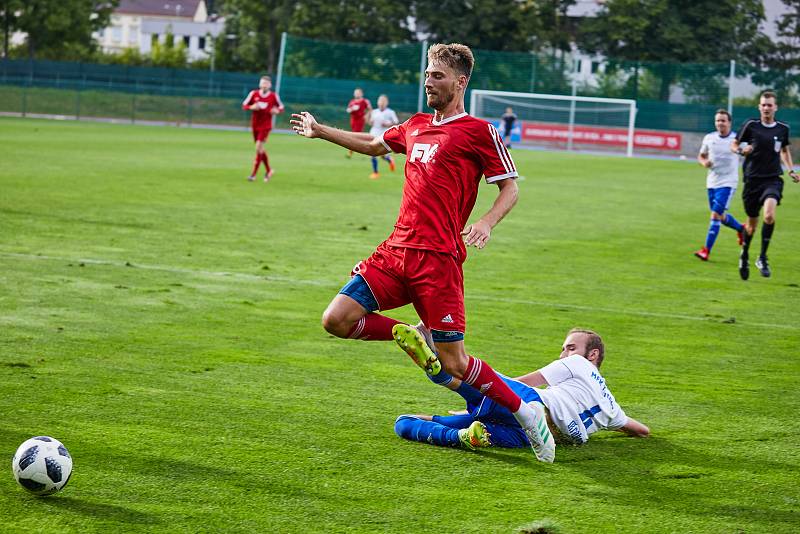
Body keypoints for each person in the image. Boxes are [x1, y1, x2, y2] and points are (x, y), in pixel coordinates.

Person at [291, 43, 556, 463]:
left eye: (437, 75)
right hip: (395, 252)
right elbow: (375, 144)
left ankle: (526, 414)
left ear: (460, 82)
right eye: (428, 74)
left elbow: (511, 187)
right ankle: (407, 334)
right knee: (336, 320)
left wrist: (485, 222)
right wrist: (323, 131)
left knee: (454, 364)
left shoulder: (479, 132)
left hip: (439, 261)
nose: (428, 81)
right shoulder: (414, 125)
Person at [394, 328, 650, 452]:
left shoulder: (578, 363)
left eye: (570, 347)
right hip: (529, 437)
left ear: (591, 354)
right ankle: (463, 436)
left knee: (476, 375)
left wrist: (483, 396)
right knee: (405, 424)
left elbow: (522, 383)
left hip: (533, 407)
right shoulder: (612, 408)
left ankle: (436, 363)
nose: (563, 354)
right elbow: (641, 431)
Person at [731, 91, 799, 279]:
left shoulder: (783, 128)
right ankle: (744, 255)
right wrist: (740, 151)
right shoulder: (751, 125)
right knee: (751, 226)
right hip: (752, 180)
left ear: (775, 107)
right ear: (759, 107)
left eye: (770, 105)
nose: (767, 108)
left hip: (772, 179)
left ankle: (762, 257)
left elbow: (784, 150)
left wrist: (791, 170)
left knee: (769, 215)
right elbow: (734, 144)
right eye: (764, 105)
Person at [693, 109, 745, 261]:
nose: (720, 123)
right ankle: (741, 229)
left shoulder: (737, 138)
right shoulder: (709, 138)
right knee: (720, 216)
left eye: (723, 120)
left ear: (729, 123)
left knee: (715, 214)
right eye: (717, 121)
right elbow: (701, 156)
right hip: (712, 182)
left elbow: (748, 150)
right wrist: (704, 163)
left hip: (728, 183)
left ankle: (706, 250)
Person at [242, 76, 284, 182]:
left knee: (258, 146)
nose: (264, 85)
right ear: (260, 84)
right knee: (260, 149)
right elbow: (244, 105)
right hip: (255, 125)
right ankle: (269, 170)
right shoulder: (253, 94)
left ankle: (253, 175)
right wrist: (252, 107)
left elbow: (281, 108)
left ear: (270, 85)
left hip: (266, 126)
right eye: (263, 83)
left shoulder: (274, 96)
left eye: (266, 83)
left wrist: (277, 111)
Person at [367, 95, 399, 179]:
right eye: (380, 101)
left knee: (380, 154)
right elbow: (370, 123)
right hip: (373, 133)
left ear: (386, 103)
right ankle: (375, 172)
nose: (381, 103)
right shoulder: (374, 112)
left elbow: (396, 122)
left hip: (383, 134)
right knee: (372, 152)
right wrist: (371, 121)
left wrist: (388, 124)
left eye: (383, 101)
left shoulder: (390, 112)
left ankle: (389, 160)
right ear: (378, 102)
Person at [345, 88, 372, 159]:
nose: (357, 94)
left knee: (355, 136)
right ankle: (366, 146)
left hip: (360, 120)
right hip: (353, 120)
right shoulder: (352, 101)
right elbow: (348, 109)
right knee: (356, 136)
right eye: (356, 93)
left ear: (362, 94)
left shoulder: (364, 101)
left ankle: (351, 152)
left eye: (358, 93)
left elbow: (370, 109)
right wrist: (352, 109)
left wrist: (367, 116)